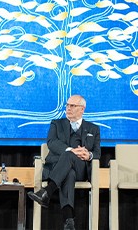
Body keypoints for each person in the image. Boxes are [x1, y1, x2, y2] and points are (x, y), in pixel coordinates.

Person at [27, 95, 101, 230]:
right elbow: (51, 143)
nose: (68, 108)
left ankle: (47, 192)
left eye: (73, 106)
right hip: (58, 167)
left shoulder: (93, 129)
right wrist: (72, 150)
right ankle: (69, 221)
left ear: (82, 109)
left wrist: (88, 154)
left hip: (81, 168)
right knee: (69, 172)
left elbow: (97, 153)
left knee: (71, 161)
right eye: (67, 105)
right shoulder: (56, 123)